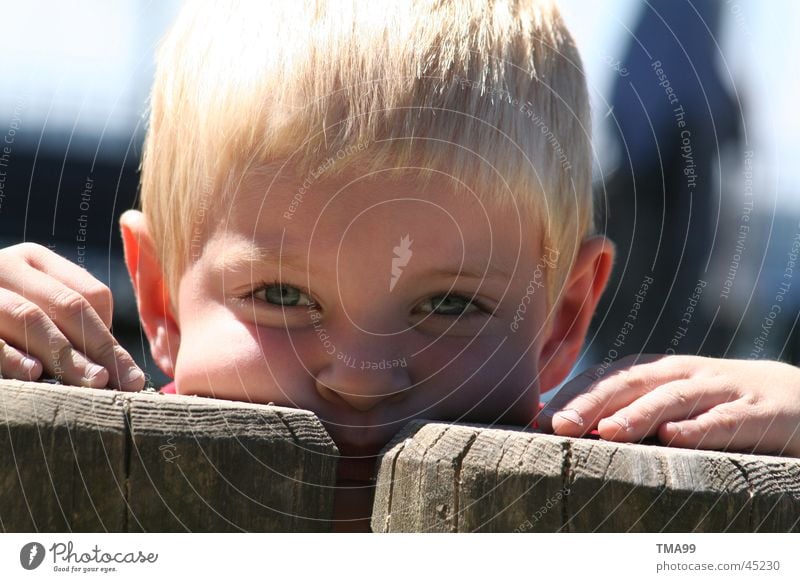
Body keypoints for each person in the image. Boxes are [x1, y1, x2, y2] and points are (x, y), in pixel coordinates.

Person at [0, 0, 798, 531]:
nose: (363, 375)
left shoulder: (613, 506)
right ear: (161, 299)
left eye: (449, 304)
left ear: (562, 317)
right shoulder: (71, 466)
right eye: (281, 295)